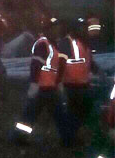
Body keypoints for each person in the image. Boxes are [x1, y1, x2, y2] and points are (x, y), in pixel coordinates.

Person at [12, 17, 69, 146]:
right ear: (49, 30)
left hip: (49, 87)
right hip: (42, 87)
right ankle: (67, 139)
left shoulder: (53, 44)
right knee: (37, 115)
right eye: (54, 28)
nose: (57, 31)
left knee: (37, 114)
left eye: (57, 28)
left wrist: (57, 82)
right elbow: (36, 64)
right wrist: (34, 83)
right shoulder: (43, 44)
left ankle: (19, 138)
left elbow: (55, 67)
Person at [58, 18, 104, 146]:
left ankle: (70, 136)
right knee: (75, 112)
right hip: (71, 85)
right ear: (74, 29)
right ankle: (69, 138)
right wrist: (59, 83)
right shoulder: (66, 43)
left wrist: (98, 72)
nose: (84, 30)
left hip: (83, 84)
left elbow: (88, 62)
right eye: (81, 28)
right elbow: (61, 63)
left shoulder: (83, 43)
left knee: (81, 111)